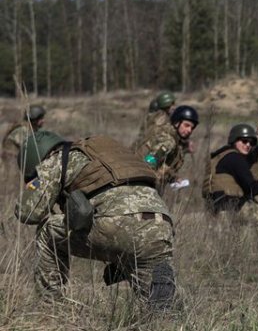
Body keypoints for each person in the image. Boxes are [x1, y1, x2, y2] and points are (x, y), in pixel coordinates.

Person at [15, 131, 176, 311]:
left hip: (118, 225)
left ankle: (50, 306)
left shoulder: (57, 159)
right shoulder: (103, 153)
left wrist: (32, 186)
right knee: (158, 307)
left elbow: (29, 213)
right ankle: (167, 313)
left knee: (48, 230)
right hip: (161, 225)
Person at [202, 123, 258, 226]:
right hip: (229, 209)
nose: (248, 145)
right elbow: (252, 188)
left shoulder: (221, 155)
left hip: (214, 210)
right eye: (244, 141)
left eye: (251, 143)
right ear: (234, 140)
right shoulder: (235, 158)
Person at [133, 105, 199, 193]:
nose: (189, 130)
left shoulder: (173, 139)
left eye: (192, 128)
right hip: (140, 186)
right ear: (176, 123)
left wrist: (172, 177)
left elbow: (162, 165)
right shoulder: (168, 141)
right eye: (186, 125)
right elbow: (149, 161)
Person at [2, 105, 47, 178]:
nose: (43, 121)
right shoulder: (23, 130)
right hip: (10, 164)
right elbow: (30, 150)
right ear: (34, 119)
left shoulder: (31, 129)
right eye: (41, 119)